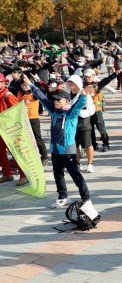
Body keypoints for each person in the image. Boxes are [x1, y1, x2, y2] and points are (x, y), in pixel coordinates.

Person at [26, 75, 93, 208]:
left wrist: (84, 95)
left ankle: (86, 198)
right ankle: (63, 197)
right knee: (57, 174)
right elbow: (43, 98)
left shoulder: (71, 114)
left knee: (75, 175)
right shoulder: (54, 111)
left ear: (66, 102)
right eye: (55, 100)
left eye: (58, 100)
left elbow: (79, 106)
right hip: (55, 150)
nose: (55, 102)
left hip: (68, 150)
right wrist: (32, 86)